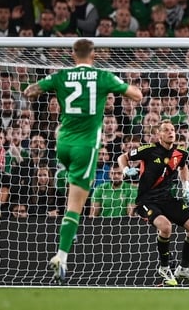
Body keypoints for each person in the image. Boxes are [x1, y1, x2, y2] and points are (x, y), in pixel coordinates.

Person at [23, 39, 143, 284]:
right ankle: (61, 255)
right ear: (94, 54)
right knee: (74, 206)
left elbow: (30, 91)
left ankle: (70, 230)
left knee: (71, 185)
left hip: (62, 144)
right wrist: (115, 89)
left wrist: (51, 88)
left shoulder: (62, 75)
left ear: (72, 54)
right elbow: (137, 96)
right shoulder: (102, 75)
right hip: (85, 147)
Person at [117, 120, 189, 286]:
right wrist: (125, 170)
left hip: (167, 199)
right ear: (159, 134)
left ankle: (183, 269)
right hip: (146, 201)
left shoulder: (180, 154)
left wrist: (186, 187)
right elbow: (123, 157)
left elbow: (183, 167)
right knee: (165, 227)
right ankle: (164, 268)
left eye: (172, 129)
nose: (171, 132)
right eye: (166, 130)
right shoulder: (149, 150)